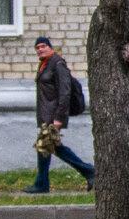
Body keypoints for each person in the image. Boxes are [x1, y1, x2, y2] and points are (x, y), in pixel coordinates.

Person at [23, 36, 95, 193]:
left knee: (46, 147)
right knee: (48, 147)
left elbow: (65, 93)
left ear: (50, 48)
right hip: (46, 114)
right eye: (37, 48)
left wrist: (59, 118)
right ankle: (88, 173)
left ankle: (89, 172)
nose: (39, 50)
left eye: (42, 46)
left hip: (53, 116)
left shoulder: (58, 64)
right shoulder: (45, 64)